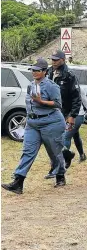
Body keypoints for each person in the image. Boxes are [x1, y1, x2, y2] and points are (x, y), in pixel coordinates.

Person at [2, 59, 67, 193]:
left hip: (51, 123)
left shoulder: (51, 86)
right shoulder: (31, 85)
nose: (34, 72)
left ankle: (60, 175)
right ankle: (18, 182)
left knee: (54, 152)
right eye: (33, 70)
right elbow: (30, 105)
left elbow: (58, 104)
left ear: (44, 72)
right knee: (28, 152)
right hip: (32, 124)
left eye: (38, 70)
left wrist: (41, 101)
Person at [45, 50, 81, 180]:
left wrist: (72, 116)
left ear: (63, 60)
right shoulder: (48, 72)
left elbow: (76, 97)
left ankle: (58, 173)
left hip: (63, 113)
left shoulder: (69, 75)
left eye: (56, 60)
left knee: (56, 141)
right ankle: (66, 153)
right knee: (51, 141)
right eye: (52, 59)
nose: (53, 62)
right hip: (50, 112)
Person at [64, 87, 87, 163]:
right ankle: (82, 155)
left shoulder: (78, 89)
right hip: (67, 116)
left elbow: (85, 102)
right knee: (75, 135)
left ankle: (64, 159)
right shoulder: (60, 87)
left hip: (78, 116)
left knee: (66, 136)